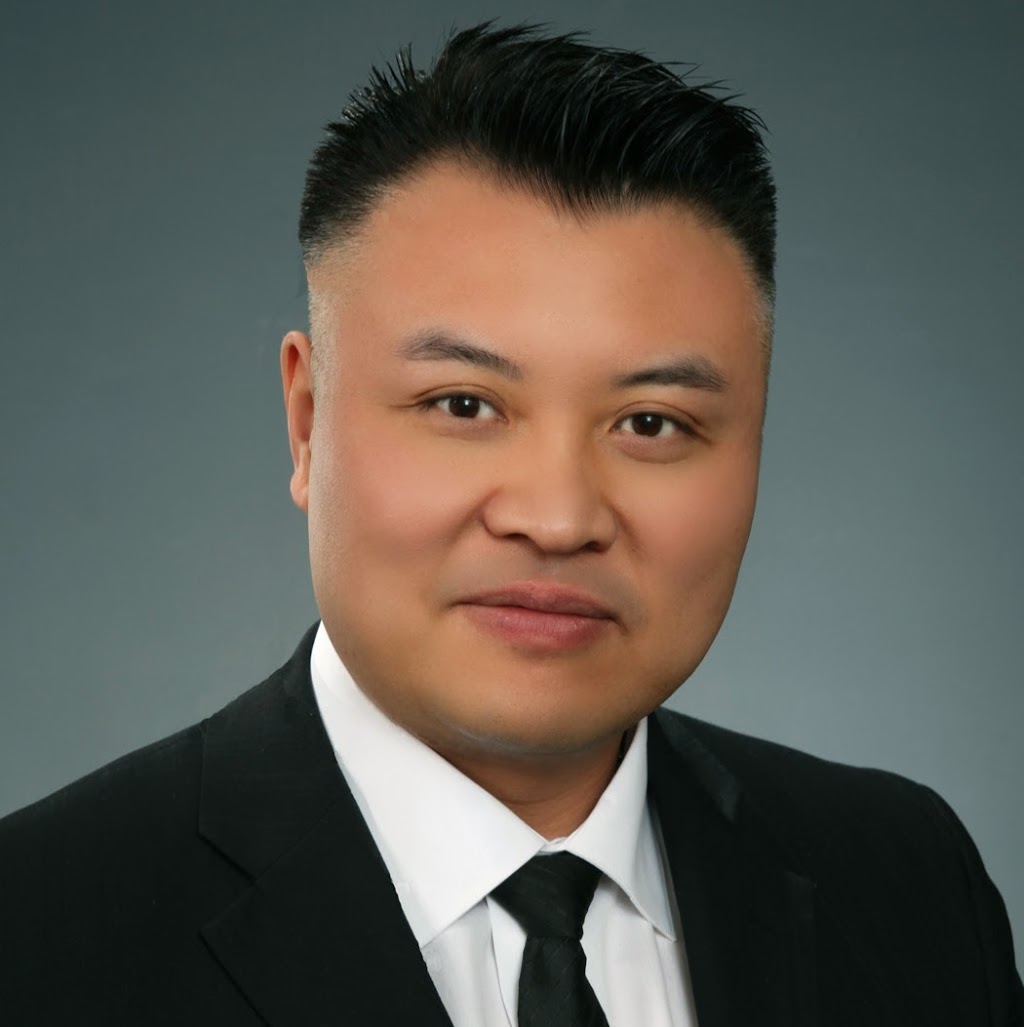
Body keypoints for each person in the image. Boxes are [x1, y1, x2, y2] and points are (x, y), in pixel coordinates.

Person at [0, 22, 1020, 1027]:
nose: (558, 518)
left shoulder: (909, 884)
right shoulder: (39, 929)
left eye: (650, 422)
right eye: (464, 405)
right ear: (307, 422)